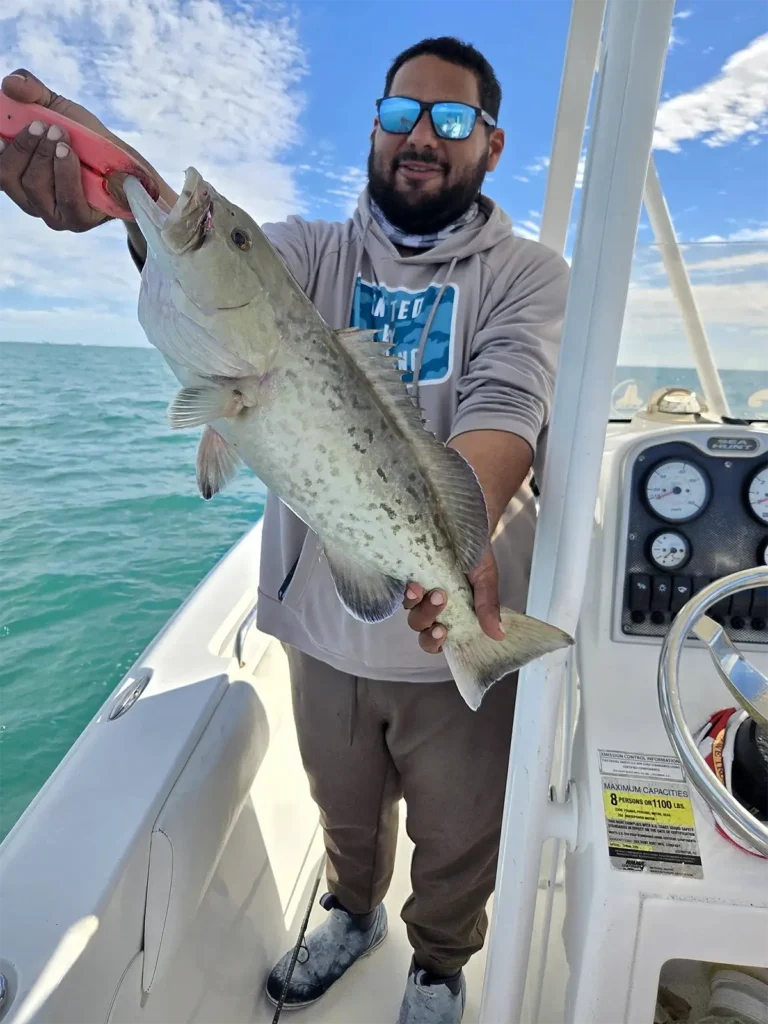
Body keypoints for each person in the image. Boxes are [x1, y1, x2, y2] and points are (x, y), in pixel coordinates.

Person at [0, 36, 568, 1023]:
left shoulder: (529, 274)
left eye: (450, 119)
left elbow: (506, 410)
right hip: (323, 622)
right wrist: (112, 174)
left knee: (460, 834)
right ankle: (351, 912)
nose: (420, 137)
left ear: (492, 141)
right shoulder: (306, 252)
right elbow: (202, 254)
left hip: (455, 618)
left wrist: (455, 551)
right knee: (341, 810)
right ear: (373, 132)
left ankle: (438, 966)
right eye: (399, 115)